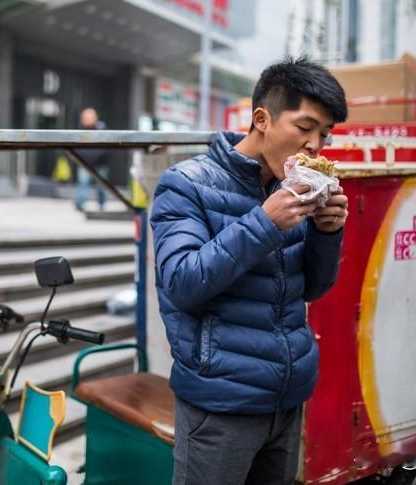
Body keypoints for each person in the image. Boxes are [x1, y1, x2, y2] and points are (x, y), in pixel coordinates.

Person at [150, 56, 349, 485]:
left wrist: (327, 232)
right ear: (262, 119)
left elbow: (313, 287)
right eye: (305, 127)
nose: (316, 145)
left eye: (324, 134)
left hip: (287, 398)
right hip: (220, 406)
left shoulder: (290, 189)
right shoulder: (186, 184)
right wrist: (263, 223)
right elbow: (181, 282)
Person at [74, 107, 109, 211]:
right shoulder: (79, 130)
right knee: (83, 182)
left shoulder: (101, 129)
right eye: (85, 118)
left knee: (101, 185)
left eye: (89, 118)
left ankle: (102, 203)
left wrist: (97, 157)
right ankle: (79, 203)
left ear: (95, 118)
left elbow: (106, 147)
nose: (86, 120)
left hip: (100, 162)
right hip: (84, 162)